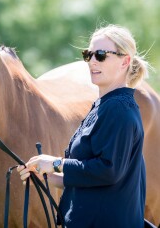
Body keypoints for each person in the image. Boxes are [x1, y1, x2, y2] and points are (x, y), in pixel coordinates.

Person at [18, 25, 149, 228]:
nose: (92, 61)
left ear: (125, 61)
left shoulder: (118, 109)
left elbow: (108, 170)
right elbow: (90, 178)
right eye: (89, 54)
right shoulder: (104, 106)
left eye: (101, 55)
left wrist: (55, 163)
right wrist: (46, 175)